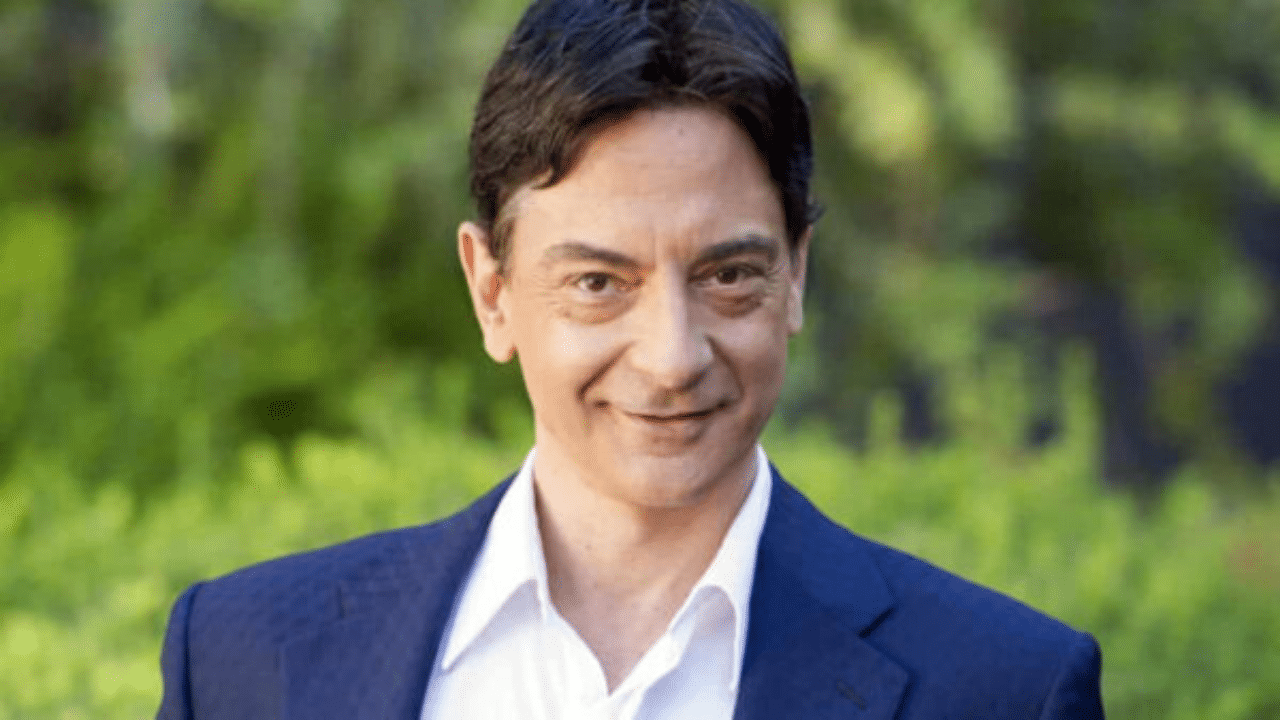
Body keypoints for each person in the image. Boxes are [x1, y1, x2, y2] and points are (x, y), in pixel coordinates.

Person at [156, 0, 1106, 718]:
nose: (672, 357)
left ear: (796, 277)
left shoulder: (1003, 689)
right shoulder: (246, 662)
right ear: (491, 292)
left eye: (728, 276)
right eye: (599, 283)